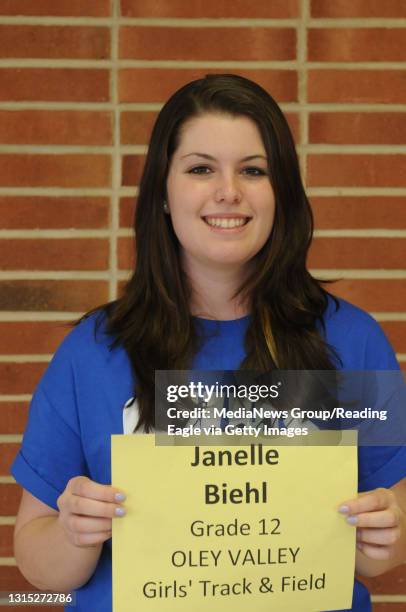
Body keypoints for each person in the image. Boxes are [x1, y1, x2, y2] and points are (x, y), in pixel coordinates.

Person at [11, 74, 406, 611]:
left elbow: (383, 546)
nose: (229, 191)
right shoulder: (92, 351)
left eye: (253, 170)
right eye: (201, 168)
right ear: (164, 195)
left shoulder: (353, 339)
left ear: (281, 193)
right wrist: (73, 534)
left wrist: (385, 532)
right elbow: (36, 565)